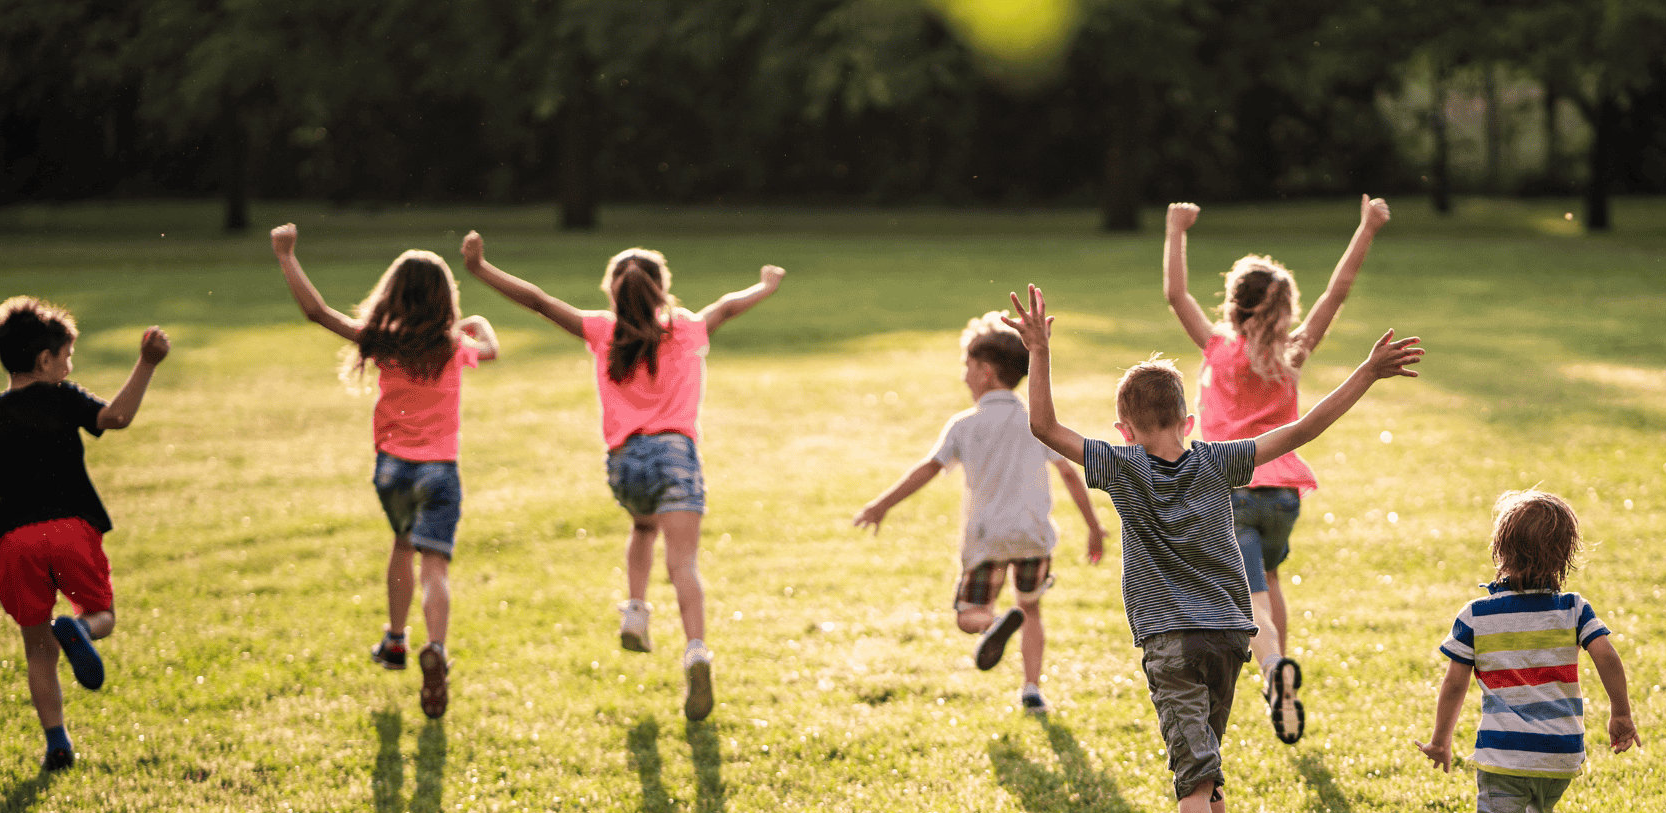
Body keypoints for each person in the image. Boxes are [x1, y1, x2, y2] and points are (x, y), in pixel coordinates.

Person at [1010, 283, 1421, 813]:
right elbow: (1304, 429)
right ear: (1190, 418)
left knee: (1191, 772)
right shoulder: (1218, 460)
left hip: (1167, 641)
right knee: (1210, 760)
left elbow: (1045, 430)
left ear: (1125, 427)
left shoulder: (1120, 465)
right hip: (1231, 636)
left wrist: (1041, 352)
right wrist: (1367, 373)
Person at [460, 231, 782, 723]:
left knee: (642, 526)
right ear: (662, 290)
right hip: (676, 454)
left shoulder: (602, 331)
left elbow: (539, 302)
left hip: (624, 464)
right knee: (683, 566)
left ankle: (635, 609)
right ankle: (695, 650)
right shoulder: (688, 328)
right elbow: (729, 306)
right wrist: (764, 287)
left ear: (613, 290)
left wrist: (481, 270)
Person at [0, 298, 170, 770]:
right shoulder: (64, 397)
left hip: (13, 543)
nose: (69, 364)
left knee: (37, 646)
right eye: (66, 356)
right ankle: (80, 629)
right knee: (102, 614)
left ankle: (56, 741)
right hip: (70, 530)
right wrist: (147, 362)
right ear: (45, 360)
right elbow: (117, 417)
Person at [1162, 195, 1391, 745]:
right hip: (1284, 494)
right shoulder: (1294, 352)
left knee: (1249, 599)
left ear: (1234, 308)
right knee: (1270, 580)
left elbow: (1175, 295)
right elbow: (1338, 292)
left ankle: (1272, 671)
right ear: (1283, 309)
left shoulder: (1218, 347)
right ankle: (1279, 678)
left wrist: (1176, 230)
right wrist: (1365, 227)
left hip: (1229, 489)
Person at [271, 223, 500, 721]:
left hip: (392, 470)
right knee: (434, 564)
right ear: (445, 300)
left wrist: (286, 255)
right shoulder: (452, 347)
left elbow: (316, 312)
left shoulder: (381, 341)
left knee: (401, 545)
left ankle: (396, 641)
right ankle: (435, 647)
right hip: (440, 469)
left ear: (392, 294)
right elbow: (492, 349)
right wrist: (478, 325)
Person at [853, 311, 1104, 710]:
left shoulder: (964, 425)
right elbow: (1072, 476)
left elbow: (928, 469)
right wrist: (1093, 527)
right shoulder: (1037, 421)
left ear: (985, 371)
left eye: (966, 367)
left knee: (967, 616)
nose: (963, 376)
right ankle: (1032, 689)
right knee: (1032, 608)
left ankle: (993, 622)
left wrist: (882, 504)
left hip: (987, 537)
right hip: (1033, 534)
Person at [1416, 490, 1639, 813]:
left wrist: (1441, 740)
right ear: (1565, 555)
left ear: (1500, 550)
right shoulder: (1574, 608)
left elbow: (1454, 683)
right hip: (1560, 754)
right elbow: (1608, 656)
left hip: (1505, 754)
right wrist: (1620, 713)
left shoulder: (1477, 615)